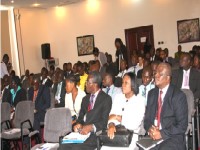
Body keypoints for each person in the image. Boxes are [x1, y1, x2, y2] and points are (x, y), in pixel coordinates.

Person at [59, 71, 112, 150]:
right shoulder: (85, 99)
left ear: (95, 84)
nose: (85, 84)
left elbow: (104, 122)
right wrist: (78, 124)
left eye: (87, 82)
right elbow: (80, 117)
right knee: (63, 145)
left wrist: (91, 127)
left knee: (76, 148)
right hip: (81, 134)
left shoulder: (106, 99)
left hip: (95, 134)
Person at [144, 63, 188, 150]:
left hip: (172, 138)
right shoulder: (151, 94)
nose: (156, 75)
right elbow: (147, 120)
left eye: (160, 74)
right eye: (155, 73)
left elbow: (182, 125)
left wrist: (161, 133)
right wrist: (150, 129)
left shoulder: (178, 96)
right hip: (153, 137)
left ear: (168, 78)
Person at [102, 72, 145, 150]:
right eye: (122, 82)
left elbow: (134, 124)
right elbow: (111, 116)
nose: (123, 85)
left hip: (130, 136)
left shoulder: (140, 100)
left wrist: (117, 117)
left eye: (126, 83)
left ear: (132, 85)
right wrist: (111, 124)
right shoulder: (118, 97)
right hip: (116, 132)